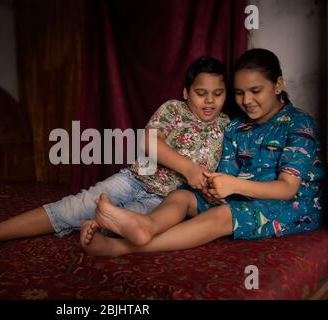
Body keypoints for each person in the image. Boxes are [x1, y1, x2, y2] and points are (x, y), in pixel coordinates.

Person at [0, 56, 230, 253]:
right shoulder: (173, 109)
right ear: (186, 92)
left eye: (217, 94)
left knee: (120, 224)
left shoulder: (227, 127)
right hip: (134, 179)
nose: (209, 101)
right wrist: (190, 169)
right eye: (201, 93)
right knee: (72, 206)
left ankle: (99, 230)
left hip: (163, 202)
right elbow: (148, 143)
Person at [80, 48, 325, 257]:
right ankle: (146, 225)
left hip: (289, 206)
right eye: (239, 93)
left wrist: (233, 185)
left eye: (255, 90)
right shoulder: (236, 127)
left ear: (278, 85)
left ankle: (121, 247)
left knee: (222, 215)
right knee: (182, 195)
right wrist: (213, 186)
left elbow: (287, 188)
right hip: (240, 196)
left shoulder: (299, 124)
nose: (247, 100)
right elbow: (227, 171)